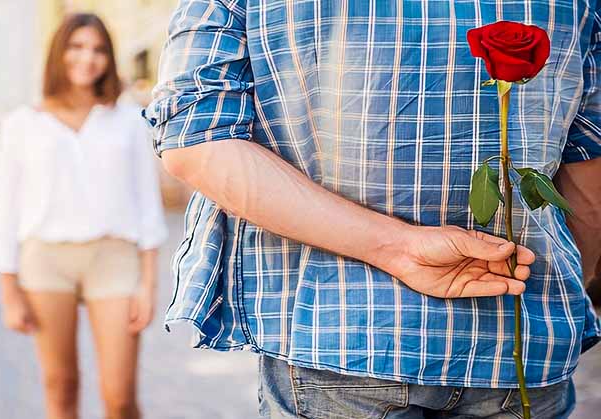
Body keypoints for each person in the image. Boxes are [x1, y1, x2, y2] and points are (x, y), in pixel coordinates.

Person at [145, 1, 601, 417]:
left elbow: (195, 139)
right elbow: (589, 178)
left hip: (337, 334)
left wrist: (397, 249)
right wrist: (548, 284)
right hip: (520, 333)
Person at [0, 13, 168, 419]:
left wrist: (148, 284)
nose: (88, 58)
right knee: (60, 386)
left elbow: (147, 205)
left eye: (98, 49)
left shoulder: (128, 120)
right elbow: (6, 213)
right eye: (77, 47)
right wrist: (8, 291)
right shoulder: (21, 125)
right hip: (46, 261)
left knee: (120, 397)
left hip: (114, 259)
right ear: (59, 53)